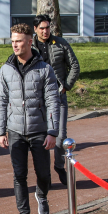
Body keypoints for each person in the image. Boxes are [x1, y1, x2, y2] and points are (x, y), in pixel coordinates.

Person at [0, 23, 60, 214]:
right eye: (13, 40)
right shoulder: (6, 69)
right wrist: (0, 130)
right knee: (19, 175)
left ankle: (41, 194)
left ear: (30, 41)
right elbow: (1, 100)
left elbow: (52, 101)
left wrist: (52, 131)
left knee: (43, 172)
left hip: (39, 130)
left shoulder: (44, 68)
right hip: (15, 130)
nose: (14, 44)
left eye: (19, 41)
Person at [32, 14, 80, 186]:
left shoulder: (60, 43)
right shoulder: (30, 46)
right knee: (40, 138)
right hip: (37, 98)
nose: (45, 31)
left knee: (60, 136)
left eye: (47, 27)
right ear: (35, 29)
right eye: (42, 28)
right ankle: (43, 175)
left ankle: (59, 166)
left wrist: (66, 85)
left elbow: (74, 65)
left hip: (58, 95)